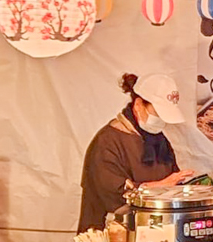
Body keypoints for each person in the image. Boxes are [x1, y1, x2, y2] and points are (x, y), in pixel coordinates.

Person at [77, 72, 194, 231]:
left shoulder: (158, 140)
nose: (162, 121)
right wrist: (159, 186)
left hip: (155, 230)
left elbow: (172, 178)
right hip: (112, 235)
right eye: (158, 114)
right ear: (138, 105)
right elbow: (113, 194)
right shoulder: (108, 140)